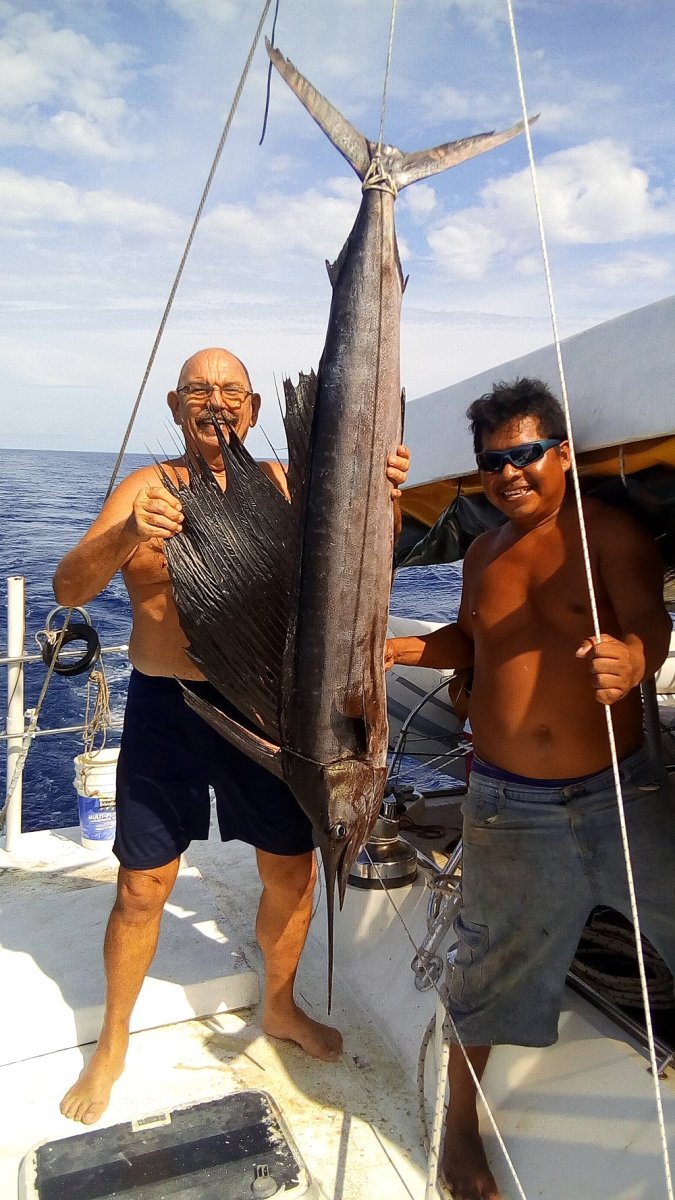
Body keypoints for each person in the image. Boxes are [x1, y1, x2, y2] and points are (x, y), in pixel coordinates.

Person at [53, 346, 410, 1126]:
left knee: (292, 874)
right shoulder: (145, 488)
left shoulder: (289, 488)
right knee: (142, 885)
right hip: (168, 709)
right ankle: (112, 1040)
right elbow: (68, 589)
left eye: (231, 392)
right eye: (198, 390)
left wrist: (383, 497)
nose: (216, 402)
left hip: (270, 712)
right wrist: (123, 538)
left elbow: (363, 559)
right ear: (176, 407)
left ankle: (277, 1008)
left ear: (251, 410)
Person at [385, 377, 674, 1200]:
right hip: (507, 804)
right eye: (491, 464)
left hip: (618, 793)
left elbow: (647, 622)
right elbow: (472, 643)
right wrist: (411, 651)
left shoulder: (606, 533)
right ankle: (459, 1126)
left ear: (560, 454)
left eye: (524, 455)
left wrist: (633, 658)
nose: (509, 474)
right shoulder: (482, 553)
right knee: (486, 970)